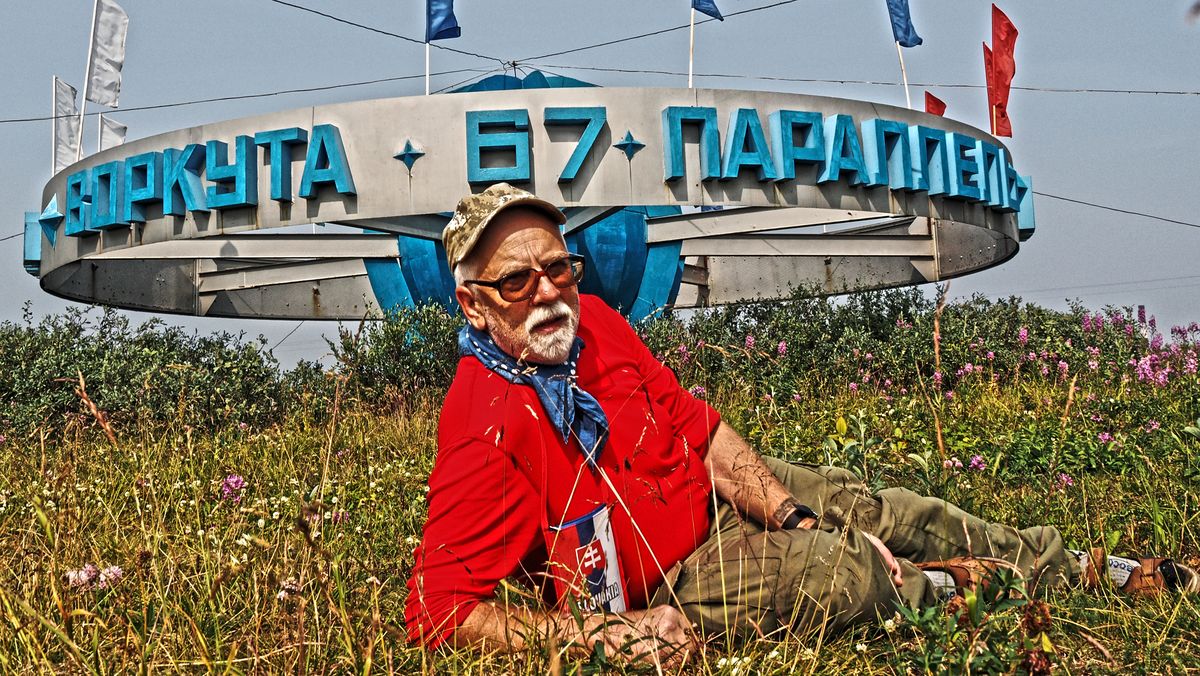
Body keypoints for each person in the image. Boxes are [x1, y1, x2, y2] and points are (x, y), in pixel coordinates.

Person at [403, 183, 1196, 663]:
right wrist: (596, 638)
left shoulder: (600, 324)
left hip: (706, 502)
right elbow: (439, 611)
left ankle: (1097, 571)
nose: (547, 293)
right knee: (835, 572)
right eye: (516, 282)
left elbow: (699, 431)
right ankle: (960, 592)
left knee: (885, 509)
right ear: (471, 303)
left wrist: (790, 511)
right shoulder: (483, 428)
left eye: (558, 268)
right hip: (669, 582)